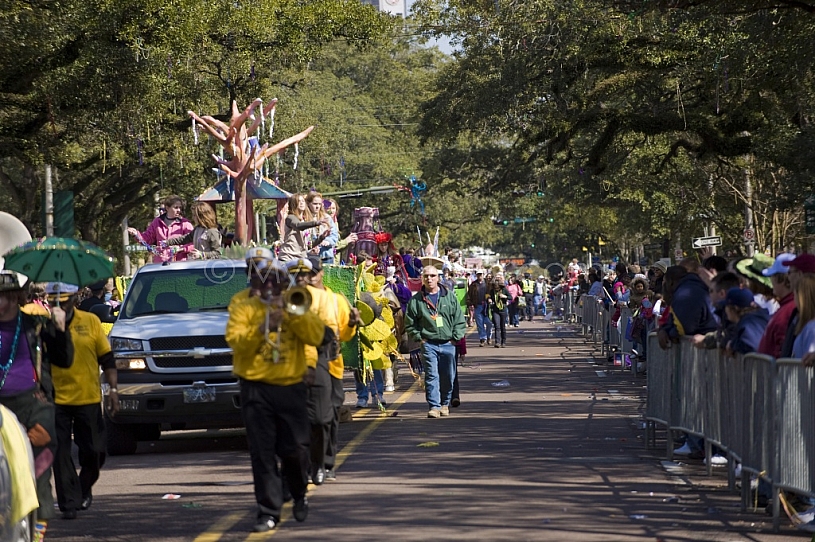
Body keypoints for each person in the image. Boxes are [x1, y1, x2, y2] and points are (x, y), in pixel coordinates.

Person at [225, 249, 328, 532]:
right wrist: (263, 326)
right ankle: (268, 511)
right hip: (256, 388)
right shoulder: (241, 304)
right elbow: (235, 341)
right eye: (261, 279)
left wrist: (291, 313)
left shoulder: (294, 303)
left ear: (283, 282)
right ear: (251, 279)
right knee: (262, 452)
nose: (268, 286)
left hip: (290, 388)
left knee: (294, 450)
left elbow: (316, 336)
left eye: (274, 280)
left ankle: (298, 494)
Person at [0, 272, 73, 541]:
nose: (1, 302)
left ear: (16, 297)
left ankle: (38, 535)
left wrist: (61, 330)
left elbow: (64, 361)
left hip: (32, 405)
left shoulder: (38, 325)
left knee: (39, 472)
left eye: (6, 296)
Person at [49, 283, 119, 520]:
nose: (59, 305)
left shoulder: (90, 322)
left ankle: (81, 488)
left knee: (94, 452)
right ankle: (69, 503)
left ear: (75, 300)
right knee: (60, 453)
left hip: (87, 397)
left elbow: (107, 358)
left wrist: (113, 390)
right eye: (53, 301)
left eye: (64, 300)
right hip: (57, 399)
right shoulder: (43, 326)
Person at [286, 256, 357, 485]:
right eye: (304, 274)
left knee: (328, 418)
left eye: (313, 272)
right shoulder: (293, 299)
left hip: (331, 366)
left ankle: (327, 464)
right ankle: (308, 465)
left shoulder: (335, 300)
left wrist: (353, 322)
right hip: (302, 366)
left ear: (321, 273)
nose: (309, 277)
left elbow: (345, 334)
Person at [404, 265, 466, 418]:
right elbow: (410, 323)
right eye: (426, 276)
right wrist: (420, 338)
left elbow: (459, 319)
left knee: (448, 376)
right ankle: (434, 406)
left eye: (432, 276)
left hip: (448, 344)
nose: (429, 279)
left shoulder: (449, 296)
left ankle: (445, 404)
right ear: (422, 279)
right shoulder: (416, 300)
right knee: (431, 375)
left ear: (438, 278)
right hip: (429, 344)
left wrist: (455, 338)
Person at [127, 194, 193, 262]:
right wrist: (136, 234)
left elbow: (193, 243)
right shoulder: (157, 222)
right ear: (167, 208)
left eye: (180, 208)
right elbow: (147, 239)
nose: (179, 210)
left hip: (179, 263)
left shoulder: (185, 224)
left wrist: (181, 249)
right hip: (160, 263)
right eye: (176, 207)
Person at [757, 254, 796, 357]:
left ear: (782, 279)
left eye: (772, 276)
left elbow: (782, 347)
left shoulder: (789, 310)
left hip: (777, 371)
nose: (771, 281)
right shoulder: (786, 307)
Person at [278, 193, 330, 262]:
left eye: (303, 201)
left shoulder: (305, 220)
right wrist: (316, 223)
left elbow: (308, 246)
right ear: (293, 204)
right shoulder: (290, 218)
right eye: (299, 201)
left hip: (301, 259)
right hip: (288, 258)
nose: (302, 203)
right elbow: (298, 225)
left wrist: (321, 237)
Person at [722, 287, 770, 356]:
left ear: (734, 308)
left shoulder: (749, 322)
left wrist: (733, 345)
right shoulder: (759, 317)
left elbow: (753, 347)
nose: (725, 310)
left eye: (726, 306)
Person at [305, 192, 339, 267]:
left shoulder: (326, 218)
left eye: (319, 204)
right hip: (310, 257)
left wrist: (328, 241)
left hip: (326, 257)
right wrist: (311, 248)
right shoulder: (304, 219)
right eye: (315, 204)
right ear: (308, 203)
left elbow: (335, 235)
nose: (317, 206)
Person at [467, 270, 492, 346]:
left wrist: (490, 299)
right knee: (479, 324)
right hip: (477, 306)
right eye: (478, 275)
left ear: (483, 275)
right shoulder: (473, 285)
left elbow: (491, 293)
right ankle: (482, 338)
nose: (479, 276)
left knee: (489, 323)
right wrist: (470, 304)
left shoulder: (488, 284)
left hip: (487, 306)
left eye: (481, 274)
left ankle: (489, 337)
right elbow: (469, 295)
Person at [486, 276, 510, 348]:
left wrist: (504, 296)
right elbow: (488, 296)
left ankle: (503, 342)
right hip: (495, 310)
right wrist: (489, 299)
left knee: (502, 327)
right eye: (495, 287)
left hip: (503, 310)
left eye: (497, 288)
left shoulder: (504, 290)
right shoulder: (492, 291)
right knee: (497, 326)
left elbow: (510, 297)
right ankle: (497, 342)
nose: (496, 289)